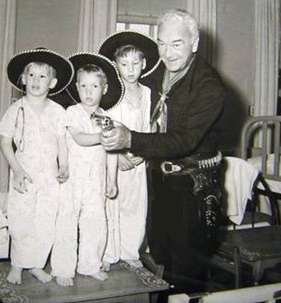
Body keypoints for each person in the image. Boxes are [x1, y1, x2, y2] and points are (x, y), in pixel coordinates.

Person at [100, 9, 227, 295]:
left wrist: (129, 139)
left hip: (194, 190)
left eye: (177, 44)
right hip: (160, 182)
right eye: (162, 43)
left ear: (194, 43)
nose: (167, 53)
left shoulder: (210, 86)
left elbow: (182, 140)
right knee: (160, 256)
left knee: (187, 275)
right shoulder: (158, 72)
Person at [0, 48, 75, 287]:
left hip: (49, 177)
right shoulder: (16, 109)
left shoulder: (57, 112)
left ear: (52, 82)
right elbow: (4, 141)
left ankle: (37, 264)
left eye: (42, 77)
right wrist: (17, 169)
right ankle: (18, 265)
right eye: (31, 75)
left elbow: (63, 141)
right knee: (22, 219)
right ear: (23, 78)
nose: (36, 81)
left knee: (45, 220)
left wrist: (64, 165)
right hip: (25, 175)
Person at [98, 30, 160, 271]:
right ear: (116, 65)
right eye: (124, 64)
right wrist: (119, 154)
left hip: (139, 160)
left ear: (144, 64)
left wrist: (142, 153)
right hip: (115, 159)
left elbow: (151, 127)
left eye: (135, 63)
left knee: (136, 206)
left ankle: (130, 251)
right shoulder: (112, 93)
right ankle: (108, 252)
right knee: (112, 205)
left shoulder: (148, 94)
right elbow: (105, 125)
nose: (130, 69)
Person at [65, 52, 123, 281]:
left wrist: (111, 180)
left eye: (95, 86)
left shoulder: (106, 118)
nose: (89, 92)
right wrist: (104, 135)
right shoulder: (73, 113)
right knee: (68, 222)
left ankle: (89, 264)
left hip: (96, 180)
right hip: (73, 178)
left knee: (95, 221)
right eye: (84, 86)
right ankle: (64, 268)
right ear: (77, 87)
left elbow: (112, 152)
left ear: (104, 89)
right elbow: (80, 138)